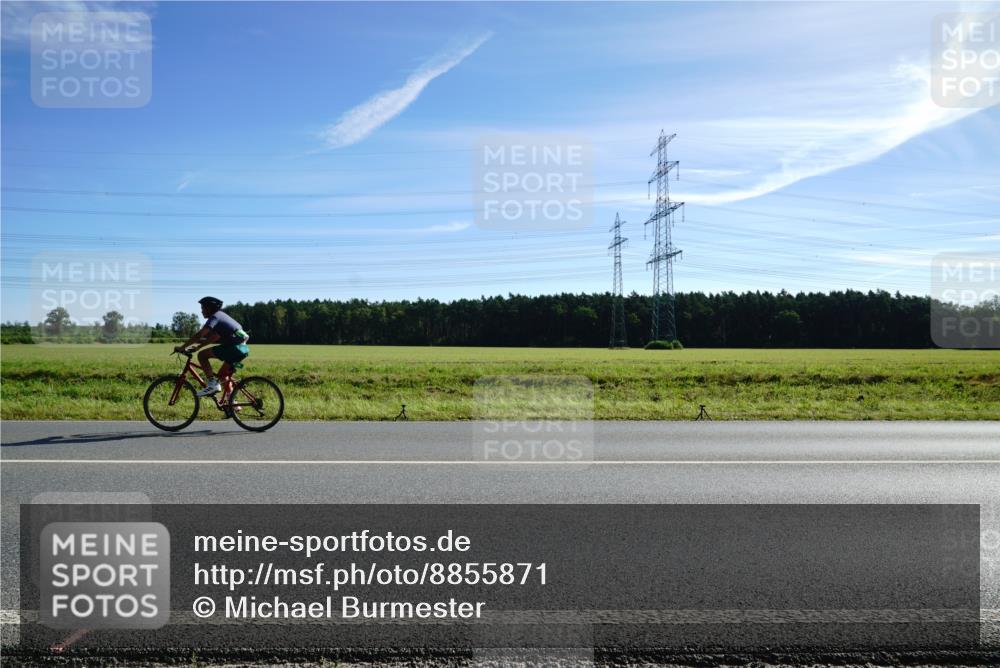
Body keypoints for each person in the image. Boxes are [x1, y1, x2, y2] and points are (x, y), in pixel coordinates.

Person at [174, 297, 250, 397]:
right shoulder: (222, 316)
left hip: (234, 348)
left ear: (209, 308)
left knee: (202, 355)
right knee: (222, 375)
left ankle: (212, 384)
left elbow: (200, 334)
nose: (201, 311)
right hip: (242, 349)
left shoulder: (215, 317)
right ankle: (232, 402)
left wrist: (182, 347)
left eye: (203, 308)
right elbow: (215, 337)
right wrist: (198, 347)